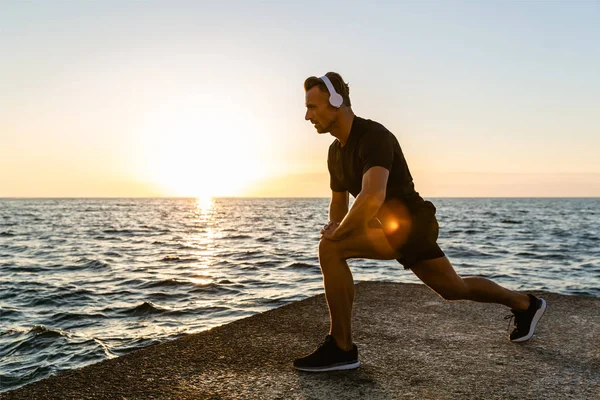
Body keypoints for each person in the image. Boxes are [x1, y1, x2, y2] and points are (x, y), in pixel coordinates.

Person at [292, 72, 547, 372]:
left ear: (336, 102)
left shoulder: (374, 136)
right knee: (452, 288)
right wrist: (335, 228)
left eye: (312, 106)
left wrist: (339, 235)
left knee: (333, 250)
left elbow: (373, 195)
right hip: (384, 227)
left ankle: (342, 348)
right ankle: (525, 305)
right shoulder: (335, 152)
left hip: (411, 224)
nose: (307, 115)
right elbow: (339, 204)